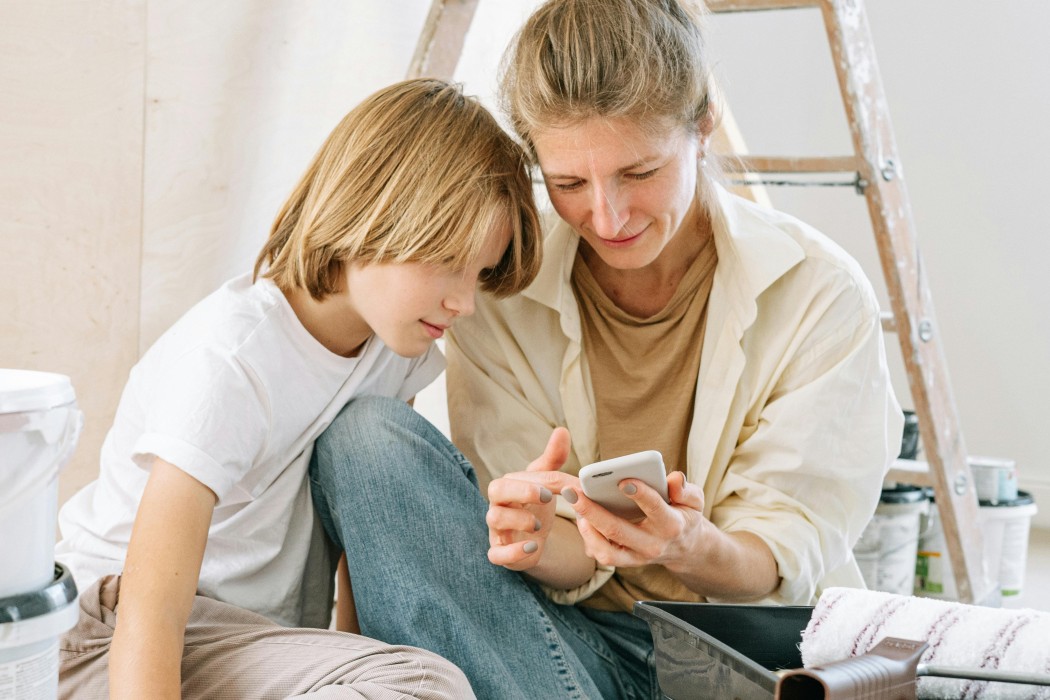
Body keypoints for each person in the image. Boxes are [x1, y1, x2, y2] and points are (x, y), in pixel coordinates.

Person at [309, 0, 903, 698]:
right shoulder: (498, 294)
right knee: (365, 441)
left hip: (740, 657)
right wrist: (533, 541)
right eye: (567, 184)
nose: (607, 216)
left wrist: (688, 546)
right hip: (564, 651)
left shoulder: (818, 294)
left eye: (639, 173)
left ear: (703, 123)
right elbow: (560, 554)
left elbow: (779, 559)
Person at [53, 77, 540, 700]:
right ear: (374, 213)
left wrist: (357, 663)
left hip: (248, 641)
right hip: (115, 637)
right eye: (447, 263)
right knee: (423, 684)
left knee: (407, 680)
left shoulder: (392, 349)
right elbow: (153, 607)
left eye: (480, 273)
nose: (464, 301)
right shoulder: (231, 362)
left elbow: (362, 546)